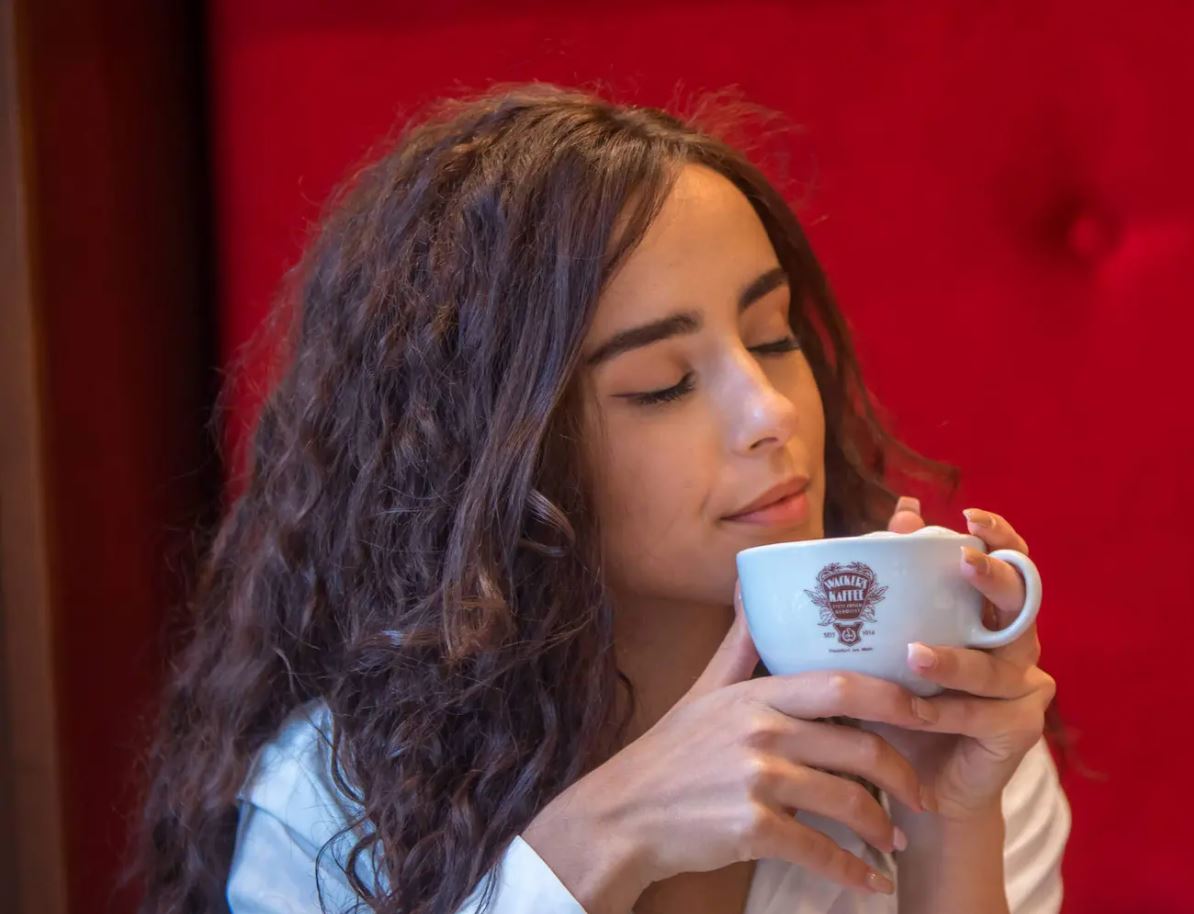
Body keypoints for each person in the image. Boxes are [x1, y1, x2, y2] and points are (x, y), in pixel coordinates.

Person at [135, 82, 1070, 914]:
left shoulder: (950, 727)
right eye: (663, 383)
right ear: (502, 458)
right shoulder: (334, 803)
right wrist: (596, 848)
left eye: (774, 338)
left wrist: (951, 830)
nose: (772, 411)